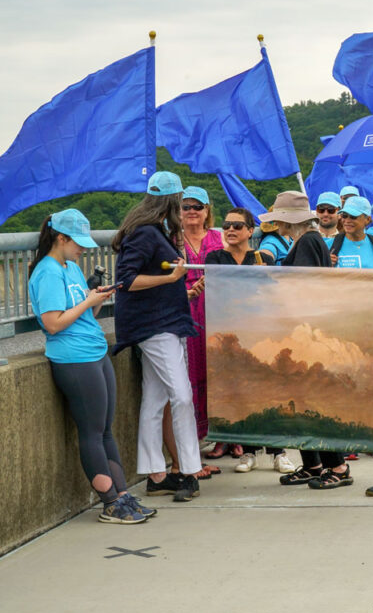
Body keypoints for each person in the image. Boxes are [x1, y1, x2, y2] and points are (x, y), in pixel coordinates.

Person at [28, 209, 155, 523]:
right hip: (73, 358)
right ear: (61, 237)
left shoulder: (69, 266)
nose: (83, 248)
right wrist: (86, 301)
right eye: (78, 242)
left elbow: (85, 314)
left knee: (105, 431)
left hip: (94, 351)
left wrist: (95, 298)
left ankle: (123, 495)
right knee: (92, 432)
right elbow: (53, 324)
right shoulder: (47, 272)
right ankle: (109, 503)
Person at [112, 171, 202, 503]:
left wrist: (176, 282)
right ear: (173, 201)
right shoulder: (147, 234)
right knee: (181, 396)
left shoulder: (149, 231)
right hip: (156, 326)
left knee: (155, 399)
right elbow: (127, 281)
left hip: (159, 323)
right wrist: (171, 278)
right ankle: (190, 472)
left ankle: (156, 474)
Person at [259, 191, 354, 490]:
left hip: (306, 330)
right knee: (298, 400)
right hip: (303, 329)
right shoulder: (306, 241)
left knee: (311, 401)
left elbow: (303, 286)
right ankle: (313, 464)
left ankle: (337, 466)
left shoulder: (308, 241)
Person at [203, 207, 297, 475]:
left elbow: (272, 294)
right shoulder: (215, 258)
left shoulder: (261, 258)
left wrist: (263, 274)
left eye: (236, 225)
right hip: (229, 334)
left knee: (269, 391)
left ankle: (279, 452)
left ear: (249, 230)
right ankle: (249, 452)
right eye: (226, 225)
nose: (230, 230)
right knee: (240, 393)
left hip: (260, 332)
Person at [178, 185, 232, 468]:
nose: (192, 212)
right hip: (187, 310)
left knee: (221, 369)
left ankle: (227, 436)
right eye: (186, 207)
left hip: (218, 310)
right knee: (191, 372)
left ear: (207, 210)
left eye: (197, 207)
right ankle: (195, 436)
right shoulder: (173, 240)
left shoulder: (219, 237)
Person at [335, 196, 373, 269]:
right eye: (344, 216)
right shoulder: (331, 246)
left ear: (368, 219)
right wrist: (326, 265)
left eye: (353, 216)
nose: (347, 220)